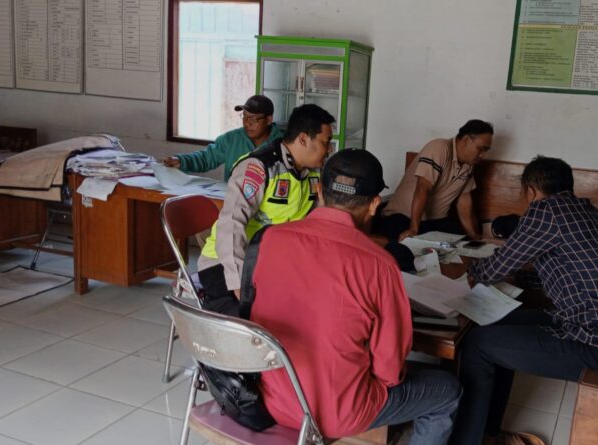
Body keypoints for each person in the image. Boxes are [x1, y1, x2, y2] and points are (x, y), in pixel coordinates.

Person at [249, 149, 462, 443]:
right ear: (374, 204)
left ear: (319, 192)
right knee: (447, 391)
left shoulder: (271, 239)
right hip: (336, 413)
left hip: (271, 399)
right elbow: (389, 371)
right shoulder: (379, 264)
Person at [450, 156, 598, 445]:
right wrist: (518, 276)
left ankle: (467, 440)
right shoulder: (592, 214)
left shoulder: (546, 212)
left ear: (530, 191)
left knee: (479, 343)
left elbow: (496, 267)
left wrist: (471, 273)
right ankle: (488, 432)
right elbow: (568, 273)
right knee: (498, 321)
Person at [196, 104, 335, 316]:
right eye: (325, 142)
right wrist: (237, 279)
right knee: (254, 321)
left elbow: (312, 222)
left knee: (314, 309)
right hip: (227, 262)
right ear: (303, 139)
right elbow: (231, 224)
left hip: (272, 261)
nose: (329, 149)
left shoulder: (313, 173)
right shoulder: (259, 167)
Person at [375, 119, 493, 242]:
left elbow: (464, 200)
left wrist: (473, 235)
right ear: (466, 140)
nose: (483, 155)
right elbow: (422, 188)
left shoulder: (469, 164)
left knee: (462, 242)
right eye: (481, 149)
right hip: (404, 218)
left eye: (486, 151)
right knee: (404, 247)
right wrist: (414, 229)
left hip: (436, 222)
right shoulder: (439, 148)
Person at [162, 95, 283, 181]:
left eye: (253, 119)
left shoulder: (284, 143)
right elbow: (207, 158)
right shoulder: (232, 139)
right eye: (244, 117)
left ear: (268, 120)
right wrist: (181, 160)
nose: (247, 123)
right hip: (235, 202)